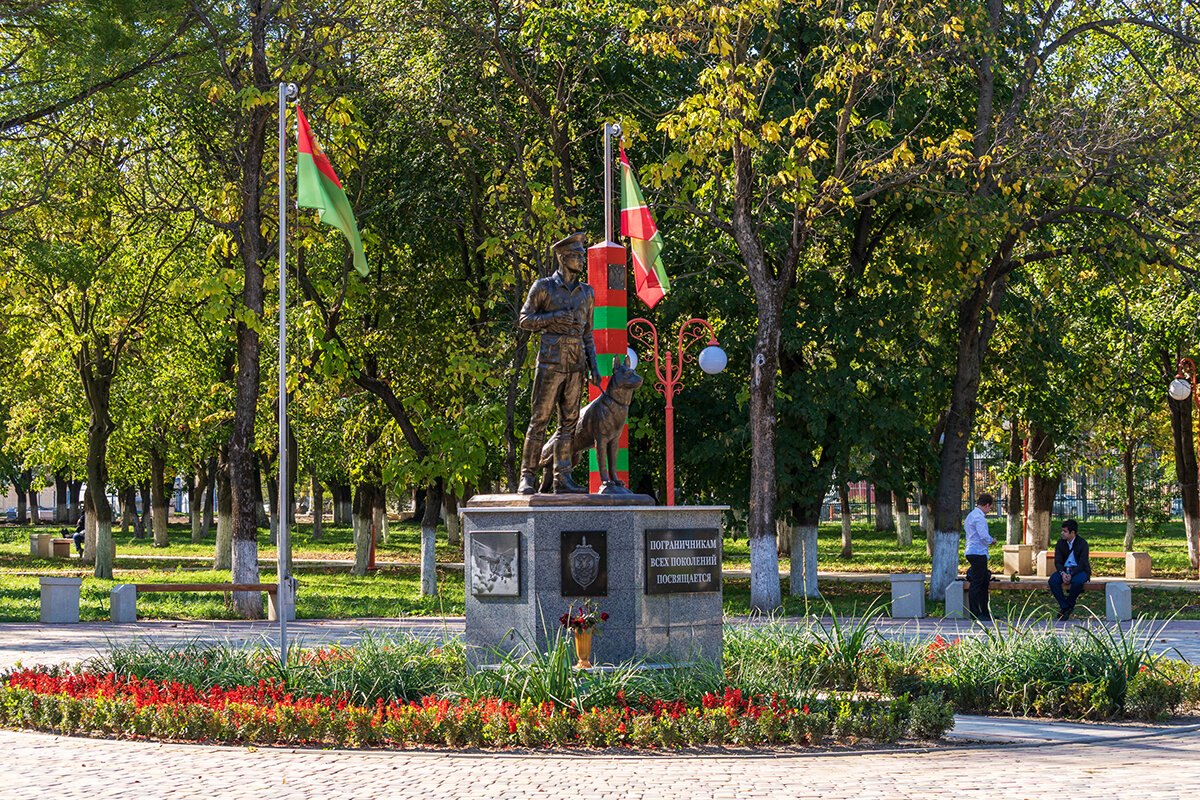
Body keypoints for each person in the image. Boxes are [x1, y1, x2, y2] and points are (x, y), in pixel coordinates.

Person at [516, 232, 602, 495]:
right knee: (539, 419)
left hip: (576, 364)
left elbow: (588, 334)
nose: (582, 259)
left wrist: (594, 367)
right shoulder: (543, 287)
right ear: (563, 258)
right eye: (578, 255)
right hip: (550, 363)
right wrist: (551, 318)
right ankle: (527, 477)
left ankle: (562, 477)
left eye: (583, 255)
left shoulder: (586, 292)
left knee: (569, 422)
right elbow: (524, 319)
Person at [1048, 519, 1091, 620]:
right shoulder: (1060, 543)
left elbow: (1083, 563)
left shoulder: (1082, 543)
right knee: (1053, 581)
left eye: (1065, 531)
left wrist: (1071, 574)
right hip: (1064, 570)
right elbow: (1058, 561)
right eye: (1062, 530)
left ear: (1072, 532)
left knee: (1077, 582)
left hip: (1079, 570)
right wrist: (1062, 573)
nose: (1062, 533)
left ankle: (1069, 606)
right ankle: (1065, 607)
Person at [963, 492, 996, 621]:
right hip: (978, 552)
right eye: (990, 507)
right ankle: (975, 613)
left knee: (983, 582)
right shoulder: (980, 517)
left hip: (972, 551)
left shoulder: (971, 515)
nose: (989, 510)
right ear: (987, 505)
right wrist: (991, 540)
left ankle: (985, 612)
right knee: (978, 583)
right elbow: (983, 535)